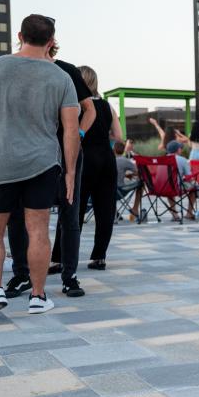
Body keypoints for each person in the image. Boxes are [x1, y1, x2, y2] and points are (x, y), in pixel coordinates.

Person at [0, 14, 80, 318]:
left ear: (19, 35)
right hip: (42, 162)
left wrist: (0, 126)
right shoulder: (60, 77)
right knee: (38, 230)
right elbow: (70, 129)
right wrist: (69, 172)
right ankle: (39, 296)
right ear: (51, 41)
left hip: (0, 159)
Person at [5, 38, 95, 300]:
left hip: (65, 151)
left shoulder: (67, 70)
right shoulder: (15, 68)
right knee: (18, 214)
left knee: (70, 213)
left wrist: (77, 133)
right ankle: (21, 275)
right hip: (26, 151)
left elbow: (89, 110)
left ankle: (69, 276)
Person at [55, 66, 120, 270]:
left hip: (83, 157)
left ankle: (59, 257)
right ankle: (99, 257)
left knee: (73, 207)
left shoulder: (74, 105)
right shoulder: (108, 106)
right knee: (105, 209)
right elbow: (118, 136)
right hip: (107, 159)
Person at [166, 141, 199, 221]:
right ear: (177, 150)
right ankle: (189, 213)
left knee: (169, 186)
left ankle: (174, 214)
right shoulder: (182, 160)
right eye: (180, 148)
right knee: (194, 187)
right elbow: (189, 177)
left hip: (163, 188)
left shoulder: (162, 159)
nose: (181, 150)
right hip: (177, 188)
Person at [115, 140, 143, 220]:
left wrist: (126, 175)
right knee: (141, 184)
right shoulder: (125, 160)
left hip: (108, 192)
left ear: (113, 150)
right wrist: (131, 175)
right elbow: (139, 172)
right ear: (124, 150)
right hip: (120, 190)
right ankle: (135, 209)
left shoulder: (109, 160)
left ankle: (114, 211)